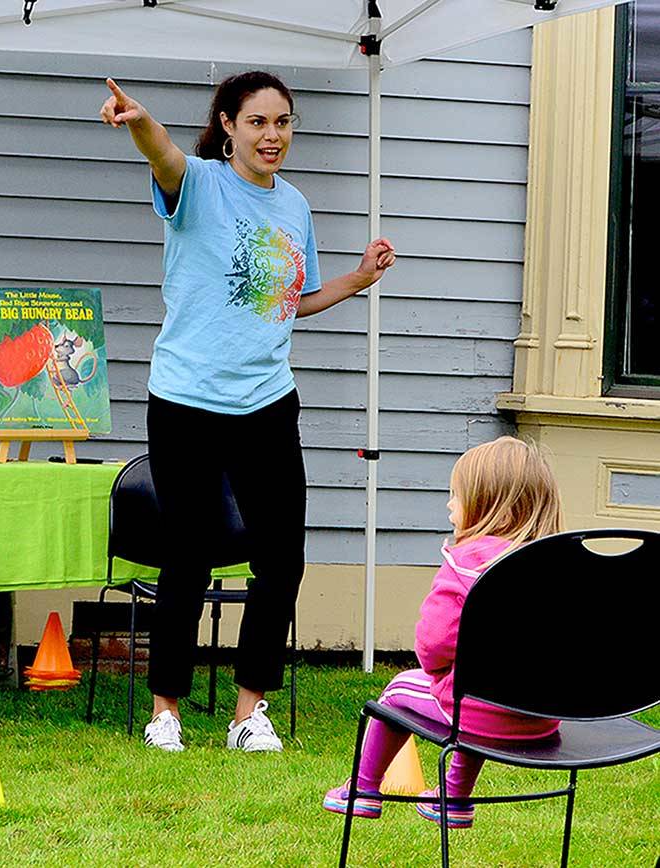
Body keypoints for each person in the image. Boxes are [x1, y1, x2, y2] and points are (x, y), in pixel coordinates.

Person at [100, 72, 396, 753]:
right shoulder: (198, 184)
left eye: (283, 123)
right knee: (188, 560)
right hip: (187, 401)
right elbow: (162, 153)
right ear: (228, 125)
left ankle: (247, 713)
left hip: (266, 402)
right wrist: (140, 120)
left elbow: (290, 300)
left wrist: (357, 279)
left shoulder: (294, 206)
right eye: (258, 122)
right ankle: (166, 712)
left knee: (281, 560)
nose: (273, 136)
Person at [322, 436, 564, 828]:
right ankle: (450, 796)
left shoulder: (467, 565)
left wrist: (442, 670)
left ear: (485, 504)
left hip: (484, 716)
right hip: (546, 718)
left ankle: (363, 791)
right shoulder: (557, 567)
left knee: (399, 692)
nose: (450, 505)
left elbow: (431, 649)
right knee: (485, 688)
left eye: (456, 495)